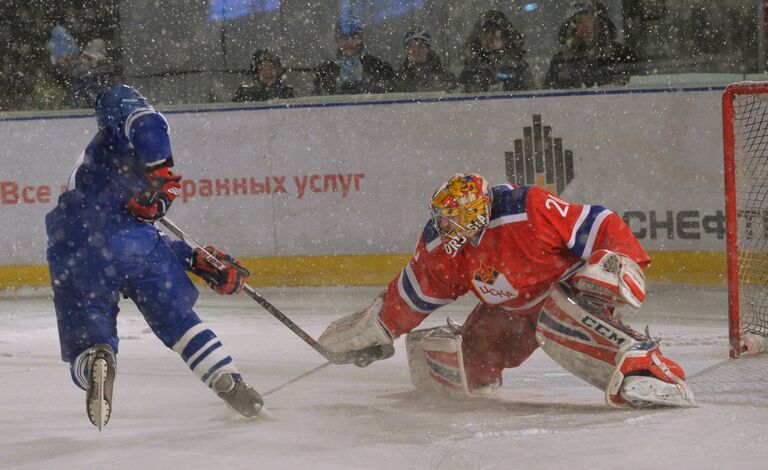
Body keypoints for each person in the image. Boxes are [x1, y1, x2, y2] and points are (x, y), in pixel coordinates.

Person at [318, 173, 694, 408]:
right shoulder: (440, 249)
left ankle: (650, 371)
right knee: (462, 368)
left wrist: (620, 260)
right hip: (510, 310)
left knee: (558, 325)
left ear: (480, 210)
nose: (447, 227)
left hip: (563, 293)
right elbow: (413, 293)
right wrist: (378, 329)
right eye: (442, 218)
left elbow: (598, 223)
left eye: (456, 218)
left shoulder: (526, 208)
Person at [45, 84, 263, 430]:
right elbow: (145, 120)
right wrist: (163, 175)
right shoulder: (127, 131)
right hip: (138, 248)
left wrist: (194, 257)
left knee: (87, 333)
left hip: (76, 252)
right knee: (178, 322)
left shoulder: (91, 169)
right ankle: (225, 376)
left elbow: (107, 229)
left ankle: (95, 359)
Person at [544, 1, 639, 89]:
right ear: (574, 27)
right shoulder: (561, 60)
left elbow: (637, 90)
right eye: (580, 21)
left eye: (590, 20)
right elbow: (548, 95)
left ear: (601, 24)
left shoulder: (624, 54)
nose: (585, 26)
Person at [314, 15, 395, 95]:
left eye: (354, 37)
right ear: (337, 42)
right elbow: (316, 101)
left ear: (361, 39)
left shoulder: (379, 68)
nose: (350, 43)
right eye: (344, 38)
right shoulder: (324, 71)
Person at [459, 10, 535, 92]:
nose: (489, 40)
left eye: (495, 34)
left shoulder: (519, 68)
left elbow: (530, 101)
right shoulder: (470, 70)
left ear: (506, 38)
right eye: (484, 35)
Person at [47, 25, 118, 108]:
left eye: (64, 59)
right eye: (59, 63)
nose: (64, 64)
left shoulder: (88, 75)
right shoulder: (74, 76)